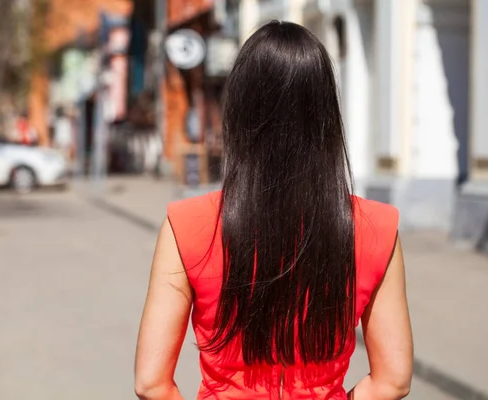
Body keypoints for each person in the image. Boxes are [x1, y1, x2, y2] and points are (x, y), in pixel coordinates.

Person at [135, 21, 413, 400]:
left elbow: (151, 383)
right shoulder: (376, 229)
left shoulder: (187, 226)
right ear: (327, 114)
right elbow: (393, 380)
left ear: (239, 111)